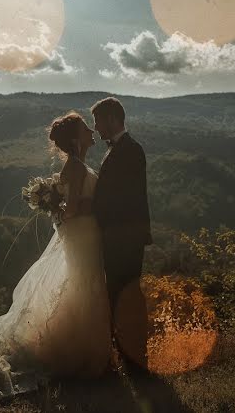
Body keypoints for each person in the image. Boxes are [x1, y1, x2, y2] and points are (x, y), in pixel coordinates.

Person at [0, 112, 111, 399]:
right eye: (85, 128)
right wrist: (98, 207)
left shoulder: (75, 166)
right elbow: (69, 211)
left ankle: (83, 356)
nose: (91, 130)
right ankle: (81, 359)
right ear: (75, 138)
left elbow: (64, 209)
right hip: (83, 236)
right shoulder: (77, 167)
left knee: (81, 289)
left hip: (84, 236)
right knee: (84, 288)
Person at [90, 97, 152, 373]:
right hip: (117, 236)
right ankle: (125, 353)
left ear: (113, 119)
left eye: (98, 122)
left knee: (126, 294)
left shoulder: (131, 150)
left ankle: (136, 355)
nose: (96, 128)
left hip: (125, 237)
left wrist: (92, 213)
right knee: (116, 293)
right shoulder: (119, 150)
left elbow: (123, 198)